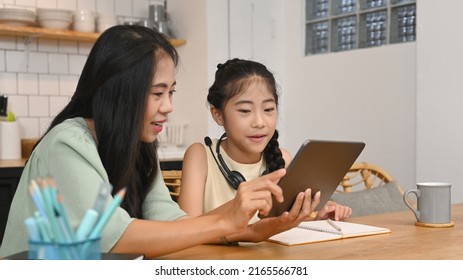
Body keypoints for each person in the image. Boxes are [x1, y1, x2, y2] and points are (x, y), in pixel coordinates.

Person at [0, 26, 316, 259]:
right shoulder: (67, 143)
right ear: (121, 91)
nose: (168, 106)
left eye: (171, 92)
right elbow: (115, 236)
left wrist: (247, 229)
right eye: (157, 93)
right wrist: (228, 220)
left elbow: (171, 220)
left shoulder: (138, 147)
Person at [178, 58, 352, 242]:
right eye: (245, 111)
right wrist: (250, 228)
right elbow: (185, 230)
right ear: (218, 115)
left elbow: (284, 227)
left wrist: (318, 221)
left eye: (268, 109)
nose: (260, 122)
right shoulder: (200, 155)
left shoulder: (282, 159)